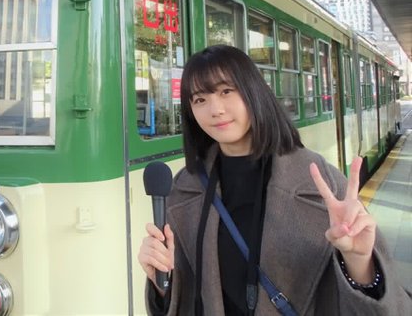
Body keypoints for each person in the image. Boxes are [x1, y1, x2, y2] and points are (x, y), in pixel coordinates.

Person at [138, 45, 411, 315]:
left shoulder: (319, 181)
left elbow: (388, 307)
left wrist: (359, 261)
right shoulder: (186, 189)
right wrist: (162, 282)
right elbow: (185, 300)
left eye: (226, 91)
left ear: (253, 91)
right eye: (200, 99)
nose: (215, 109)